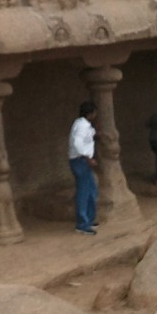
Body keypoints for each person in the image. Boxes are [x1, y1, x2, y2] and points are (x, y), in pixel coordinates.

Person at [68, 101, 100, 235]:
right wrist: (88, 159)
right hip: (80, 161)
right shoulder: (81, 126)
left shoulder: (83, 124)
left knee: (92, 190)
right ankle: (82, 224)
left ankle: (89, 219)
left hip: (82, 161)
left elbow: (90, 135)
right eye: (94, 112)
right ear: (90, 113)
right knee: (84, 192)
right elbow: (77, 143)